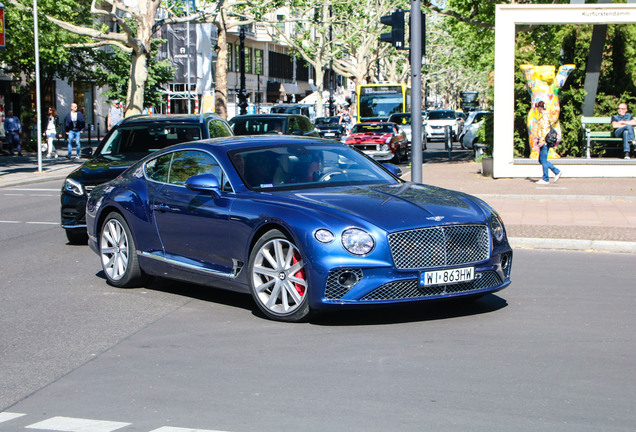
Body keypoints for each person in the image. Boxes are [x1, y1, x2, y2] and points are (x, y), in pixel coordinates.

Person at [535, 101, 561, 185]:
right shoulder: (546, 115)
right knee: (541, 159)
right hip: (544, 140)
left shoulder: (544, 116)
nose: (536, 109)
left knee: (543, 160)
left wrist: (542, 141)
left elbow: (545, 129)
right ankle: (556, 171)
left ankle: (545, 178)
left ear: (540, 107)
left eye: (537, 108)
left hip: (545, 141)